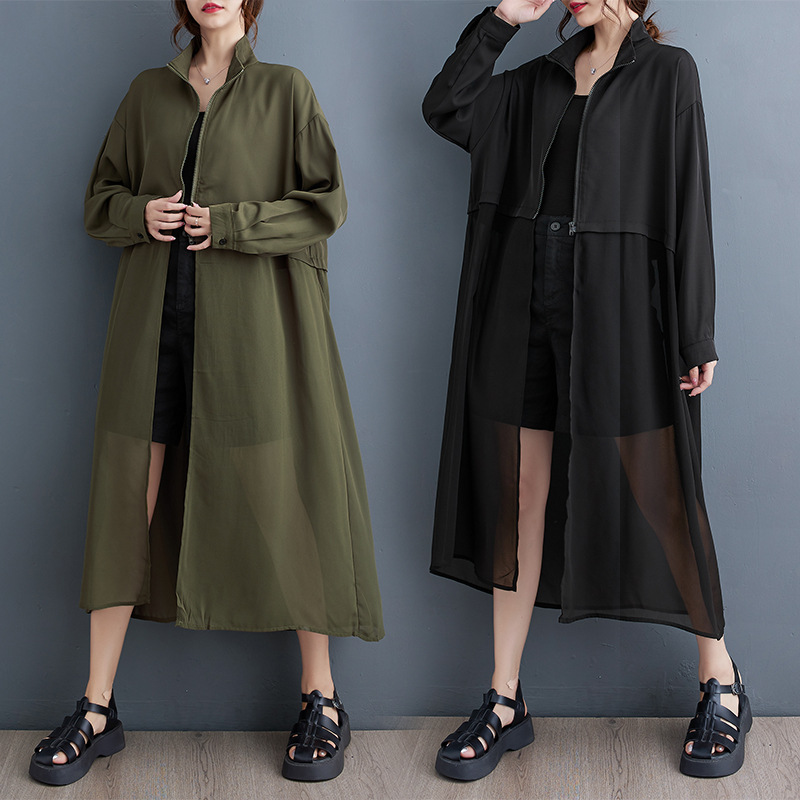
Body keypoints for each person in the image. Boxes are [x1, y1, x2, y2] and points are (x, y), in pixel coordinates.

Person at [29, 0, 383, 786]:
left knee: (283, 503)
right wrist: (139, 213)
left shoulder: (286, 90)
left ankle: (321, 697)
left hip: (250, 342)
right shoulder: (146, 94)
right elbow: (99, 201)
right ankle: (96, 708)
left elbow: (325, 205)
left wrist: (231, 224)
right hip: (153, 336)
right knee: (126, 507)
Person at [422, 0, 750, 781]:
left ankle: (722, 680)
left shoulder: (667, 74)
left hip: (619, 312)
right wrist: (504, 17)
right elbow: (447, 107)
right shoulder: (535, 79)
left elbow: (688, 201)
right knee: (519, 497)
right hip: (523, 304)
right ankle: (504, 698)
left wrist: (696, 331)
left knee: (661, 490)